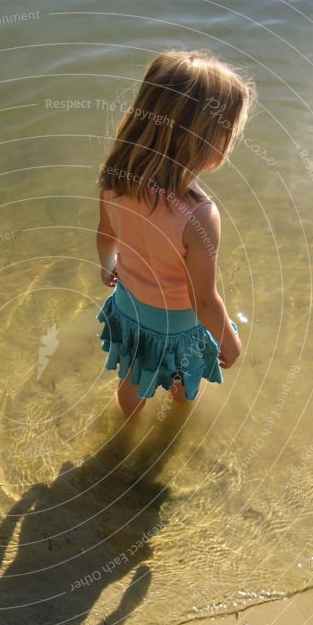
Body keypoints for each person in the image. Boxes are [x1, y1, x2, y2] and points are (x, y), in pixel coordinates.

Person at [95, 48, 256, 419]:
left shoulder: (116, 181)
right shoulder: (200, 214)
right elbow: (204, 300)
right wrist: (229, 342)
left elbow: (106, 237)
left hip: (131, 308)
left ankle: (127, 428)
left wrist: (108, 267)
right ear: (207, 140)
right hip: (180, 326)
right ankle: (176, 427)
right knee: (185, 383)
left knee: (133, 378)